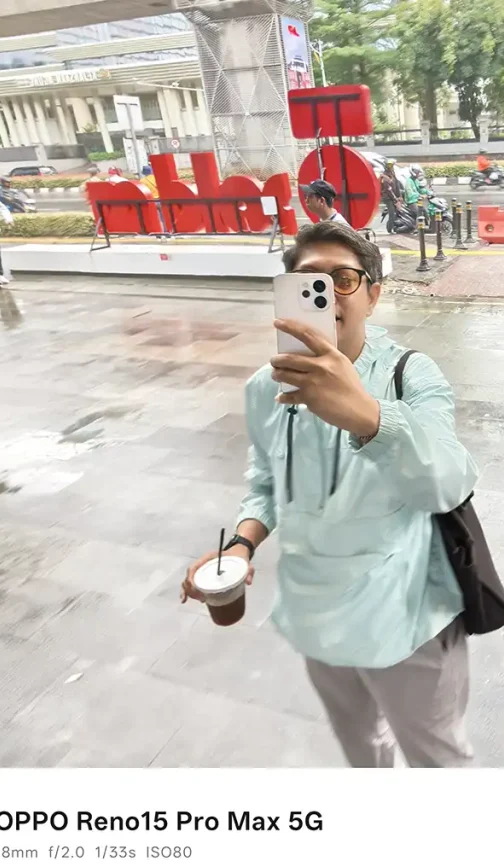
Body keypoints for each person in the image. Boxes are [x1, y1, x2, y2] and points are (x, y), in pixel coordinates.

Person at [181, 222, 479, 767]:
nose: (326, 294)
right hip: (318, 617)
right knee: (363, 751)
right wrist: (242, 545)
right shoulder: (265, 387)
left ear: (373, 294)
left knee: (438, 762)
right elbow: (266, 481)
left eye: (343, 280)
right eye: (307, 282)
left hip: (407, 619)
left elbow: (448, 483)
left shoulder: (409, 376)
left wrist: (368, 416)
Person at [379, 160, 403, 234]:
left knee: (396, 212)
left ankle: (394, 227)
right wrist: (395, 198)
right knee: (392, 213)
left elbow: (397, 185)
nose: (390, 167)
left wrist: (399, 196)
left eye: (391, 165)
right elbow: (388, 189)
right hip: (387, 198)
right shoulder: (384, 176)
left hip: (393, 197)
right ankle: (390, 229)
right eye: (389, 165)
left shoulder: (392, 174)